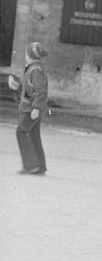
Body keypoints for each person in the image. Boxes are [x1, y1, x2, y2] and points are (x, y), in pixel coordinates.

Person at [8, 42, 49, 175]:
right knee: (33, 135)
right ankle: (40, 167)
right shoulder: (33, 68)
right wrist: (17, 84)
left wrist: (36, 108)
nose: (25, 56)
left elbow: (40, 91)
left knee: (21, 132)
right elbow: (28, 87)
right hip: (32, 108)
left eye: (26, 54)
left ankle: (31, 165)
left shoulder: (35, 70)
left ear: (30, 56)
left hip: (31, 109)